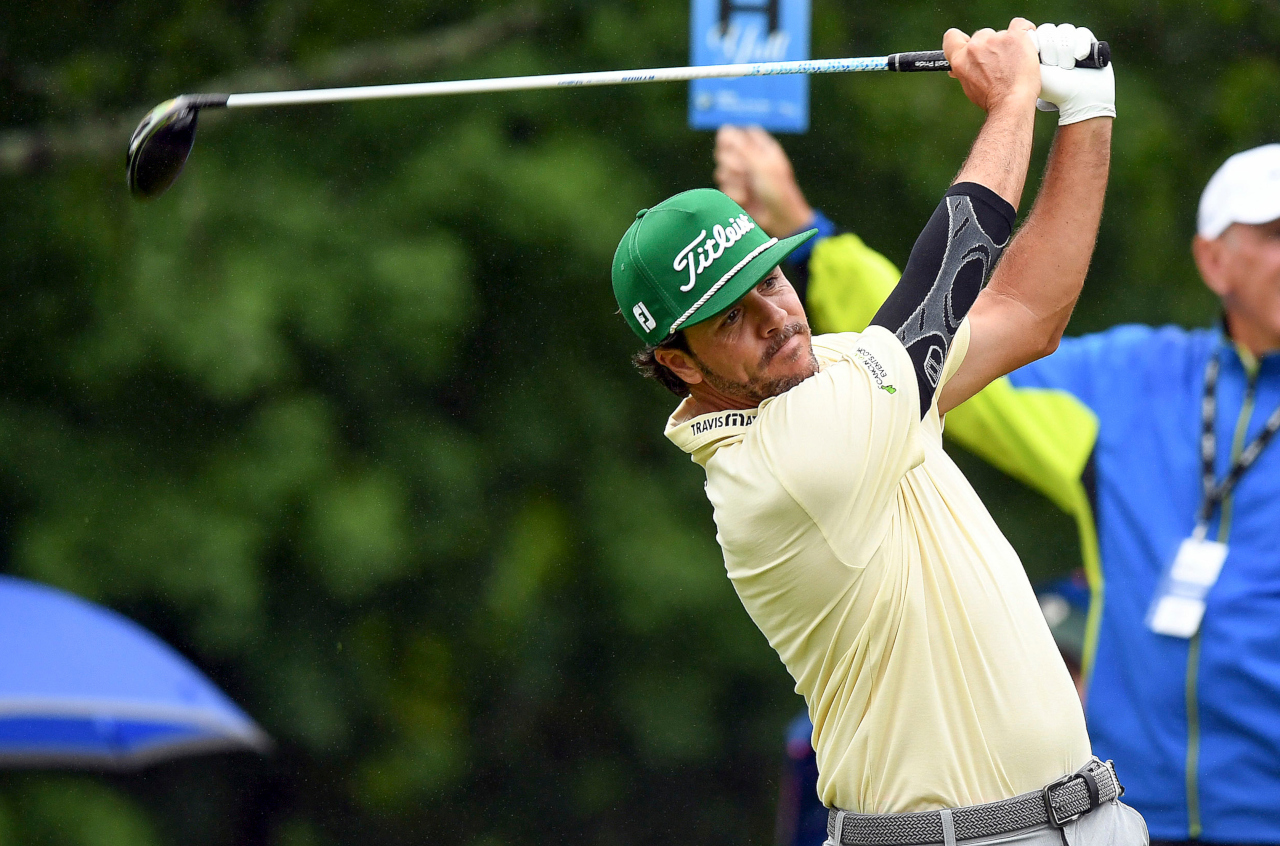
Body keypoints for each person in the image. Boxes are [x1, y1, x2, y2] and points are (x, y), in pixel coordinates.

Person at [612, 19, 1143, 846]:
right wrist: (1012, 102)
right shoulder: (780, 466)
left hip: (1091, 819)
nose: (776, 317)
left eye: (771, 279)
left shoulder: (836, 371)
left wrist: (1086, 113)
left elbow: (1025, 314)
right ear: (679, 363)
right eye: (731, 318)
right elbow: (945, 278)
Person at [715, 108, 1280, 846]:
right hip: (1129, 813)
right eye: (1273, 234)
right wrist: (809, 237)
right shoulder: (1140, 379)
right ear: (1213, 261)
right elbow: (942, 346)